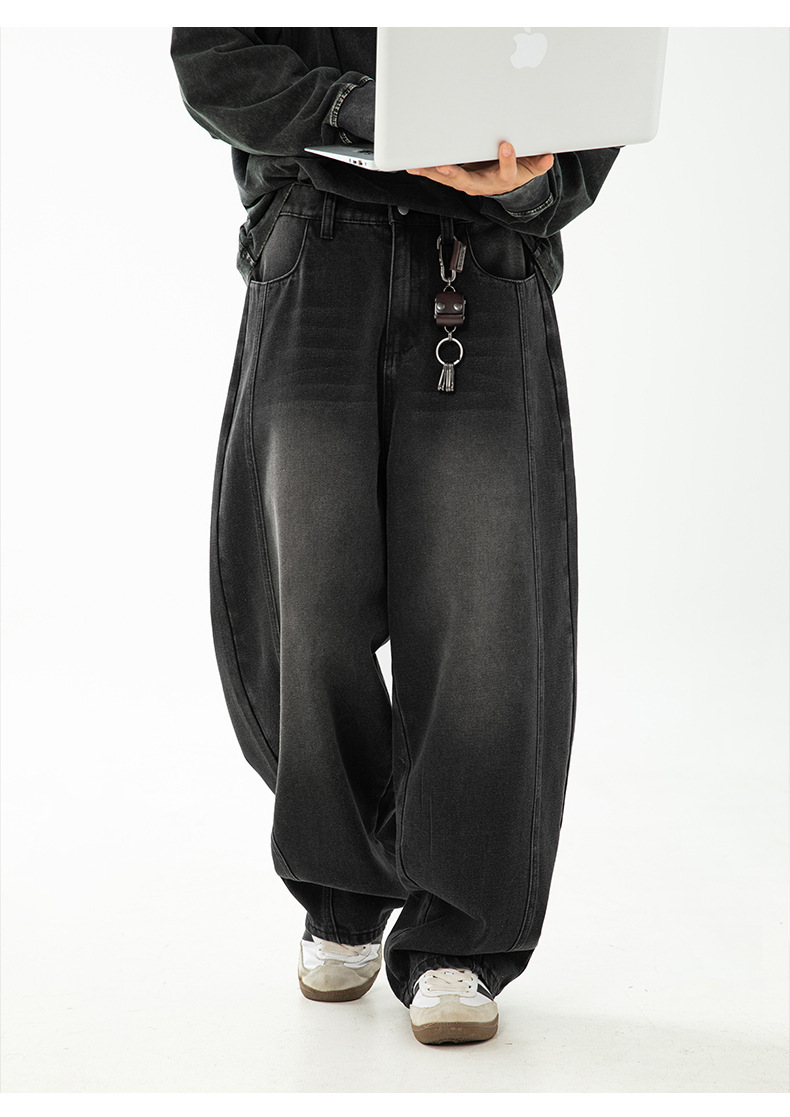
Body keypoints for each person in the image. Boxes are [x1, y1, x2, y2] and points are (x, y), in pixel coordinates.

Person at [170, 26, 621, 1046]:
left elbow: (598, 65)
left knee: (484, 616)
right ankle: (343, 883)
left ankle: (460, 928)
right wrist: (359, 111)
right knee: (302, 604)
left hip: (483, 252)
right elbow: (213, 55)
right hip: (315, 238)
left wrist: (536, 182)